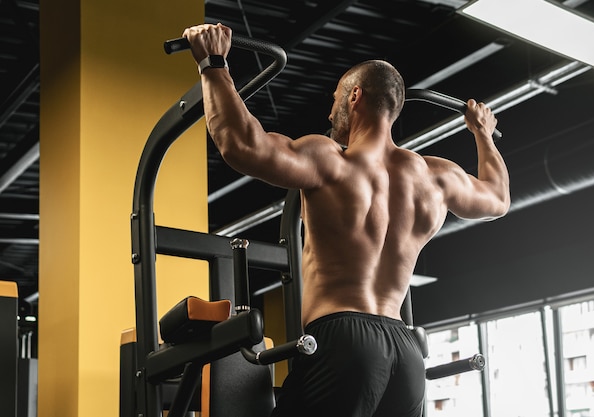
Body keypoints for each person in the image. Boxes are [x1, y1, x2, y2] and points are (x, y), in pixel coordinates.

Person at [183, 23, 510, 417]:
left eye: (335, 97)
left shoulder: (331, 160)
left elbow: (241, 145)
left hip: (342, 340)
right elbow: (498, 199)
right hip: (404, 353)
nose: (329, 108)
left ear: (355, 96)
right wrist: (483, 134)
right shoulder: (436, 177)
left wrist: (213, 63)